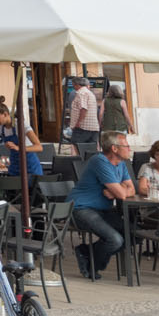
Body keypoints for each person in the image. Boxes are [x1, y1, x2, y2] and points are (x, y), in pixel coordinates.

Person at [70, 131, 135, 279]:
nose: (129, 148)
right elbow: (123, 193)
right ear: (114, 148)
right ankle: (93, 265)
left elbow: (131, 189)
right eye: (126, 145)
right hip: (81, 208)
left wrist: (118, 191)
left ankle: (87, 252)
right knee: (115, 240)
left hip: (103, 210)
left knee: (134, 234)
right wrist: (120, 191)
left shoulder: (121, 164)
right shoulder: (99, 161)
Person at [0, 101, 42, 177]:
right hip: (14, 167)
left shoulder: (21, 125)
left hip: (30, 166)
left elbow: (39, 147)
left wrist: (19, 148)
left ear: (5, 114)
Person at [66, 78, 101, 158]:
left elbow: (83, 108)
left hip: (83, 127)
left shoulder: (81, 93)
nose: (74, 87)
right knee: (92, 150)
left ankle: (78, 166)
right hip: (93, 126)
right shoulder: (90, 93)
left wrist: (78, 122)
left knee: (76, 147)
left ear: (77, 85)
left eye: (74, 85)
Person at [101, 81, 131, 146]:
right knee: (121, 145)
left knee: (108, 145)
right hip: (121, 127)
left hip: (107, 127)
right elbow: (126, 115)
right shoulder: (122, 101)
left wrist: (100, 123)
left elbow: (101, 114)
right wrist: (131, 126)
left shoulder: (104, 101)